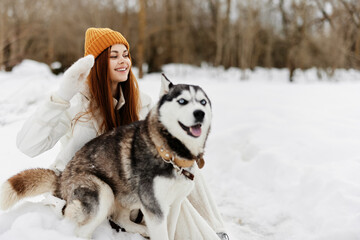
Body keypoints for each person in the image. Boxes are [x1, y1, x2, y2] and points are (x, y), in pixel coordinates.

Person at [16, 27, 229, 240]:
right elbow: (28, 145)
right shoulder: (76, 103)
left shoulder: (141, 103)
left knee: (182, 169)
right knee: (168, 190)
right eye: (114, 56)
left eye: (126, 55)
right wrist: (61, 96)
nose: (124, 61)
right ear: (98, 62)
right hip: (85, 188)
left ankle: (216, 230)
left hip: (128, 193)